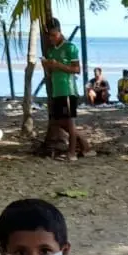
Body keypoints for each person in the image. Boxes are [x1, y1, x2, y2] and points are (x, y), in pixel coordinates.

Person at [41, 19, 83, 160]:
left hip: (68, 90)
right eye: (50, 36)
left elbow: (77, 69)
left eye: (54, 35)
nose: (52, 38)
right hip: (57, 91)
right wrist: (46, 66)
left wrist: (58, 65)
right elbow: (50, 74)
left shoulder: (70, 48)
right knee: (58, 122)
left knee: (70, 122)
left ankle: (72, 153)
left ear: (59, 32)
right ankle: (85, 144)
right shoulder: (51, 51)